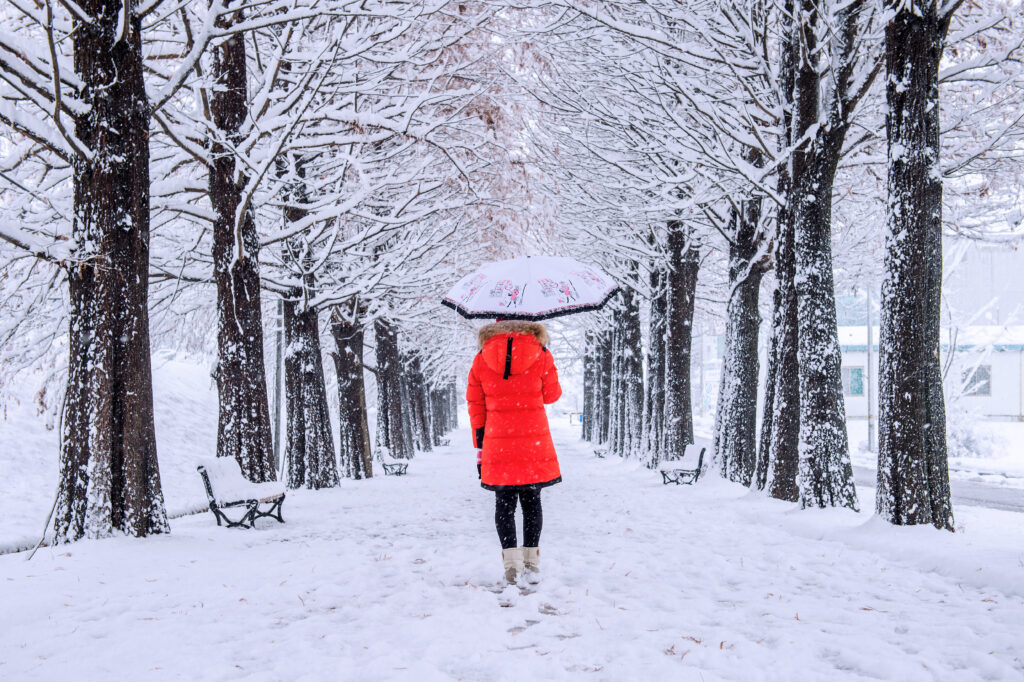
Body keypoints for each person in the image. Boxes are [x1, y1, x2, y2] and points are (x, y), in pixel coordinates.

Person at [466, 320, 562, 585]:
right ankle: (531, 563)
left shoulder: (482, 357)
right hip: (533, 441)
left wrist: (480, 443)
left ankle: (511, 566)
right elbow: (552, 395)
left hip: (498, 441)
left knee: (504, 504)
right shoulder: (540, 353)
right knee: (532, 502)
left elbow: (476, 403)